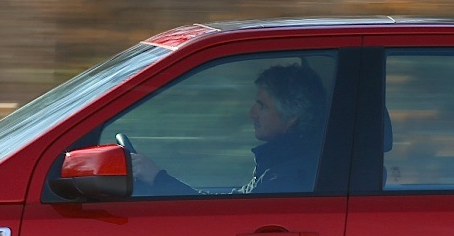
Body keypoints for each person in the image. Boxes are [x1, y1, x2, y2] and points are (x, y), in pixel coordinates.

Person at [130, 62, 327, 196]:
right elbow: (229, 205)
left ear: (292, 117)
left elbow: (216, 220)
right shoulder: (280, 161)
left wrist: (157, 178)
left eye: (262, 106)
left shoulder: (287, 175)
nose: (252, 113)